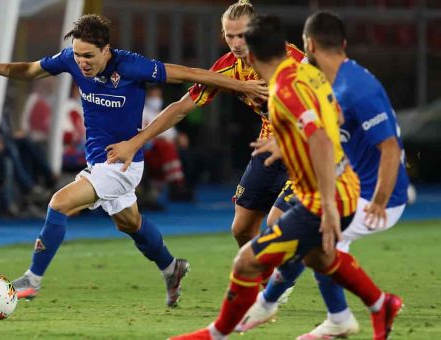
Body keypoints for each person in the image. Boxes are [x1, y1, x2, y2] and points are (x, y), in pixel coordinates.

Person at [0, 14, 265, 306]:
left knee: (59, 203)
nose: (82, 62)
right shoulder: (70, 60)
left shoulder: (131, 66)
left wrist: (242, 85)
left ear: (106, 50)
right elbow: (30, 70)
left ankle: (32, 279)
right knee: (130, 224)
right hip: (98, 162)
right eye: (77, 55)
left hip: (124, 162)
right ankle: (172, 268)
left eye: (89, 56)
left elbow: (191, 74)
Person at [170, 15, 401, 340]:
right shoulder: (308, 72)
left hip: (324, 196)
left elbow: (319, 139)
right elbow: (332, 114)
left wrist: (328, 205)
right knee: (319, 256)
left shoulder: (283, 89)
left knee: (246, 263)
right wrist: (286, 141)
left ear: (250, 57)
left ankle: (217, 333)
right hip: (341, 185)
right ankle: (379, 304)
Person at [238, 11, 409, 339]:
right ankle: (341, 315)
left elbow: (389, 148)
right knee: (306, 238)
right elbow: (318, 127)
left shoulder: (358, 88)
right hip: (348, 182)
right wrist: (285, 141)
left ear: (309, 44)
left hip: (375, 196)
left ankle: (270, 301)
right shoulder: (323, 80)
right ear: (342, 43)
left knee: (313, 238)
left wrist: (379, 201)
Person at [106, 0, 305, 249]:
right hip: (268, 147)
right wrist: (135, 143)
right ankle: (266, 281)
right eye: (230, 36)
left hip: (302, 146)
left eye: (242, 35)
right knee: (241, 229)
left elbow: (324, 103)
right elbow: (180, 108)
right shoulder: (227, 68)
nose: (236, 43)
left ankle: (282, 283)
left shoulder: (291, 60)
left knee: (278, 223)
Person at [142, 85, 193, 201]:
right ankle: (176, 185)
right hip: (148, 148)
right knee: (165, 147)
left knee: (186, 153)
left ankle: (181, 187)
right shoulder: (142, 111)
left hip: (166, 148)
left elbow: (173, 134)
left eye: (158, 96)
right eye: (153, 96)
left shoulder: (163, 112)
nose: (156, 99)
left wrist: (180, 138)